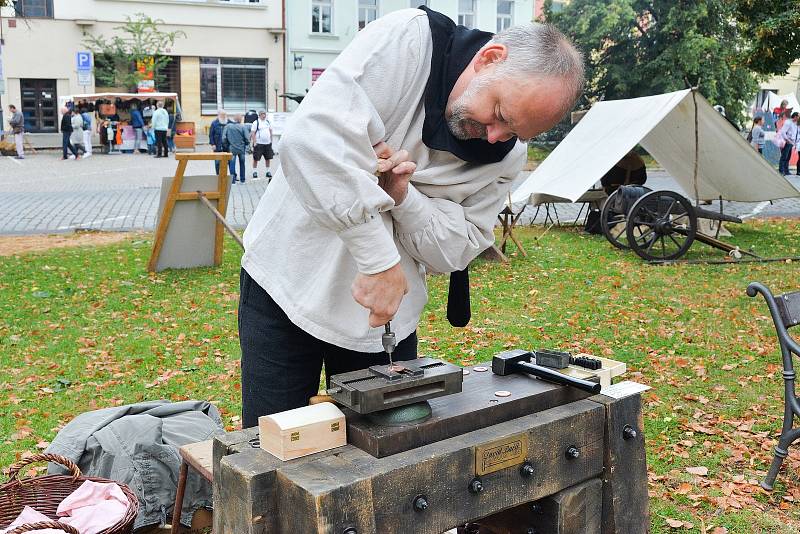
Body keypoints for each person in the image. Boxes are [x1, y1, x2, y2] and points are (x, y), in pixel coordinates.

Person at [237, 7, 584, 426]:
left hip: (386, 326)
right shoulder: (409, 42)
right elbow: (311, 141)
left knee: (387, 465)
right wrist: (379, 260)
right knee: (271, 453)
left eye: (514, 132)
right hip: (287, 286)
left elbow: (454, 252)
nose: (496, 137)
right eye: (501, 115)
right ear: (490, 58)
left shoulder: (507, 156)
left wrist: (403, 196)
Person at [222, 114, 249, 183]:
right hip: (241, 148)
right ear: (240, 120)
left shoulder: (228, 126)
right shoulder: (243, 127)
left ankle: (233, 180)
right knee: (242, 164)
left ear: (234, 119)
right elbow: (247, 138)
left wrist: (226, 146)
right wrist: (246, 144)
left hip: (232, 148)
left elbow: (224, 138)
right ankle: (242, 180)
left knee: (232, 164)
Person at [250, 110, 274, 179]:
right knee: (256, 158)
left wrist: (271, 140)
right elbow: (253, 133)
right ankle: (254, 172)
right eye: (262, 114)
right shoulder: (256, 122)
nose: (264, 115)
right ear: (259, 115)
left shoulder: (268, 122)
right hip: (259, 143)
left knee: (268, 158)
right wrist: (254, 142)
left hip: (267, 143)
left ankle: (268, 171)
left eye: (264, 114)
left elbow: (270, 131)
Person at [209, 109, 231, 175]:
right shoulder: (214, 123)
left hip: (227, 146)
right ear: (218, 115)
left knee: (228, 162)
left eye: (225, 115)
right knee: (217, 162)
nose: (224, 116)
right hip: (217, 145)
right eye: (222, 115)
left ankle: (227, 176)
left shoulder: (229, 122)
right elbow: (211, 135)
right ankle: (218, 175)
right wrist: (212, 144)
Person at [777, 112, 799, 176]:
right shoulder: (788, 122)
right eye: (798, 116)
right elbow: (783, 131)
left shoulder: (795, 123)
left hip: (792, 142)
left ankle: (786, 171)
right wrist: (786, 139)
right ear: (795, 116)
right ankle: (781, 171)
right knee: (784, 156)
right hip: (787, 142)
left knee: (788, 157)